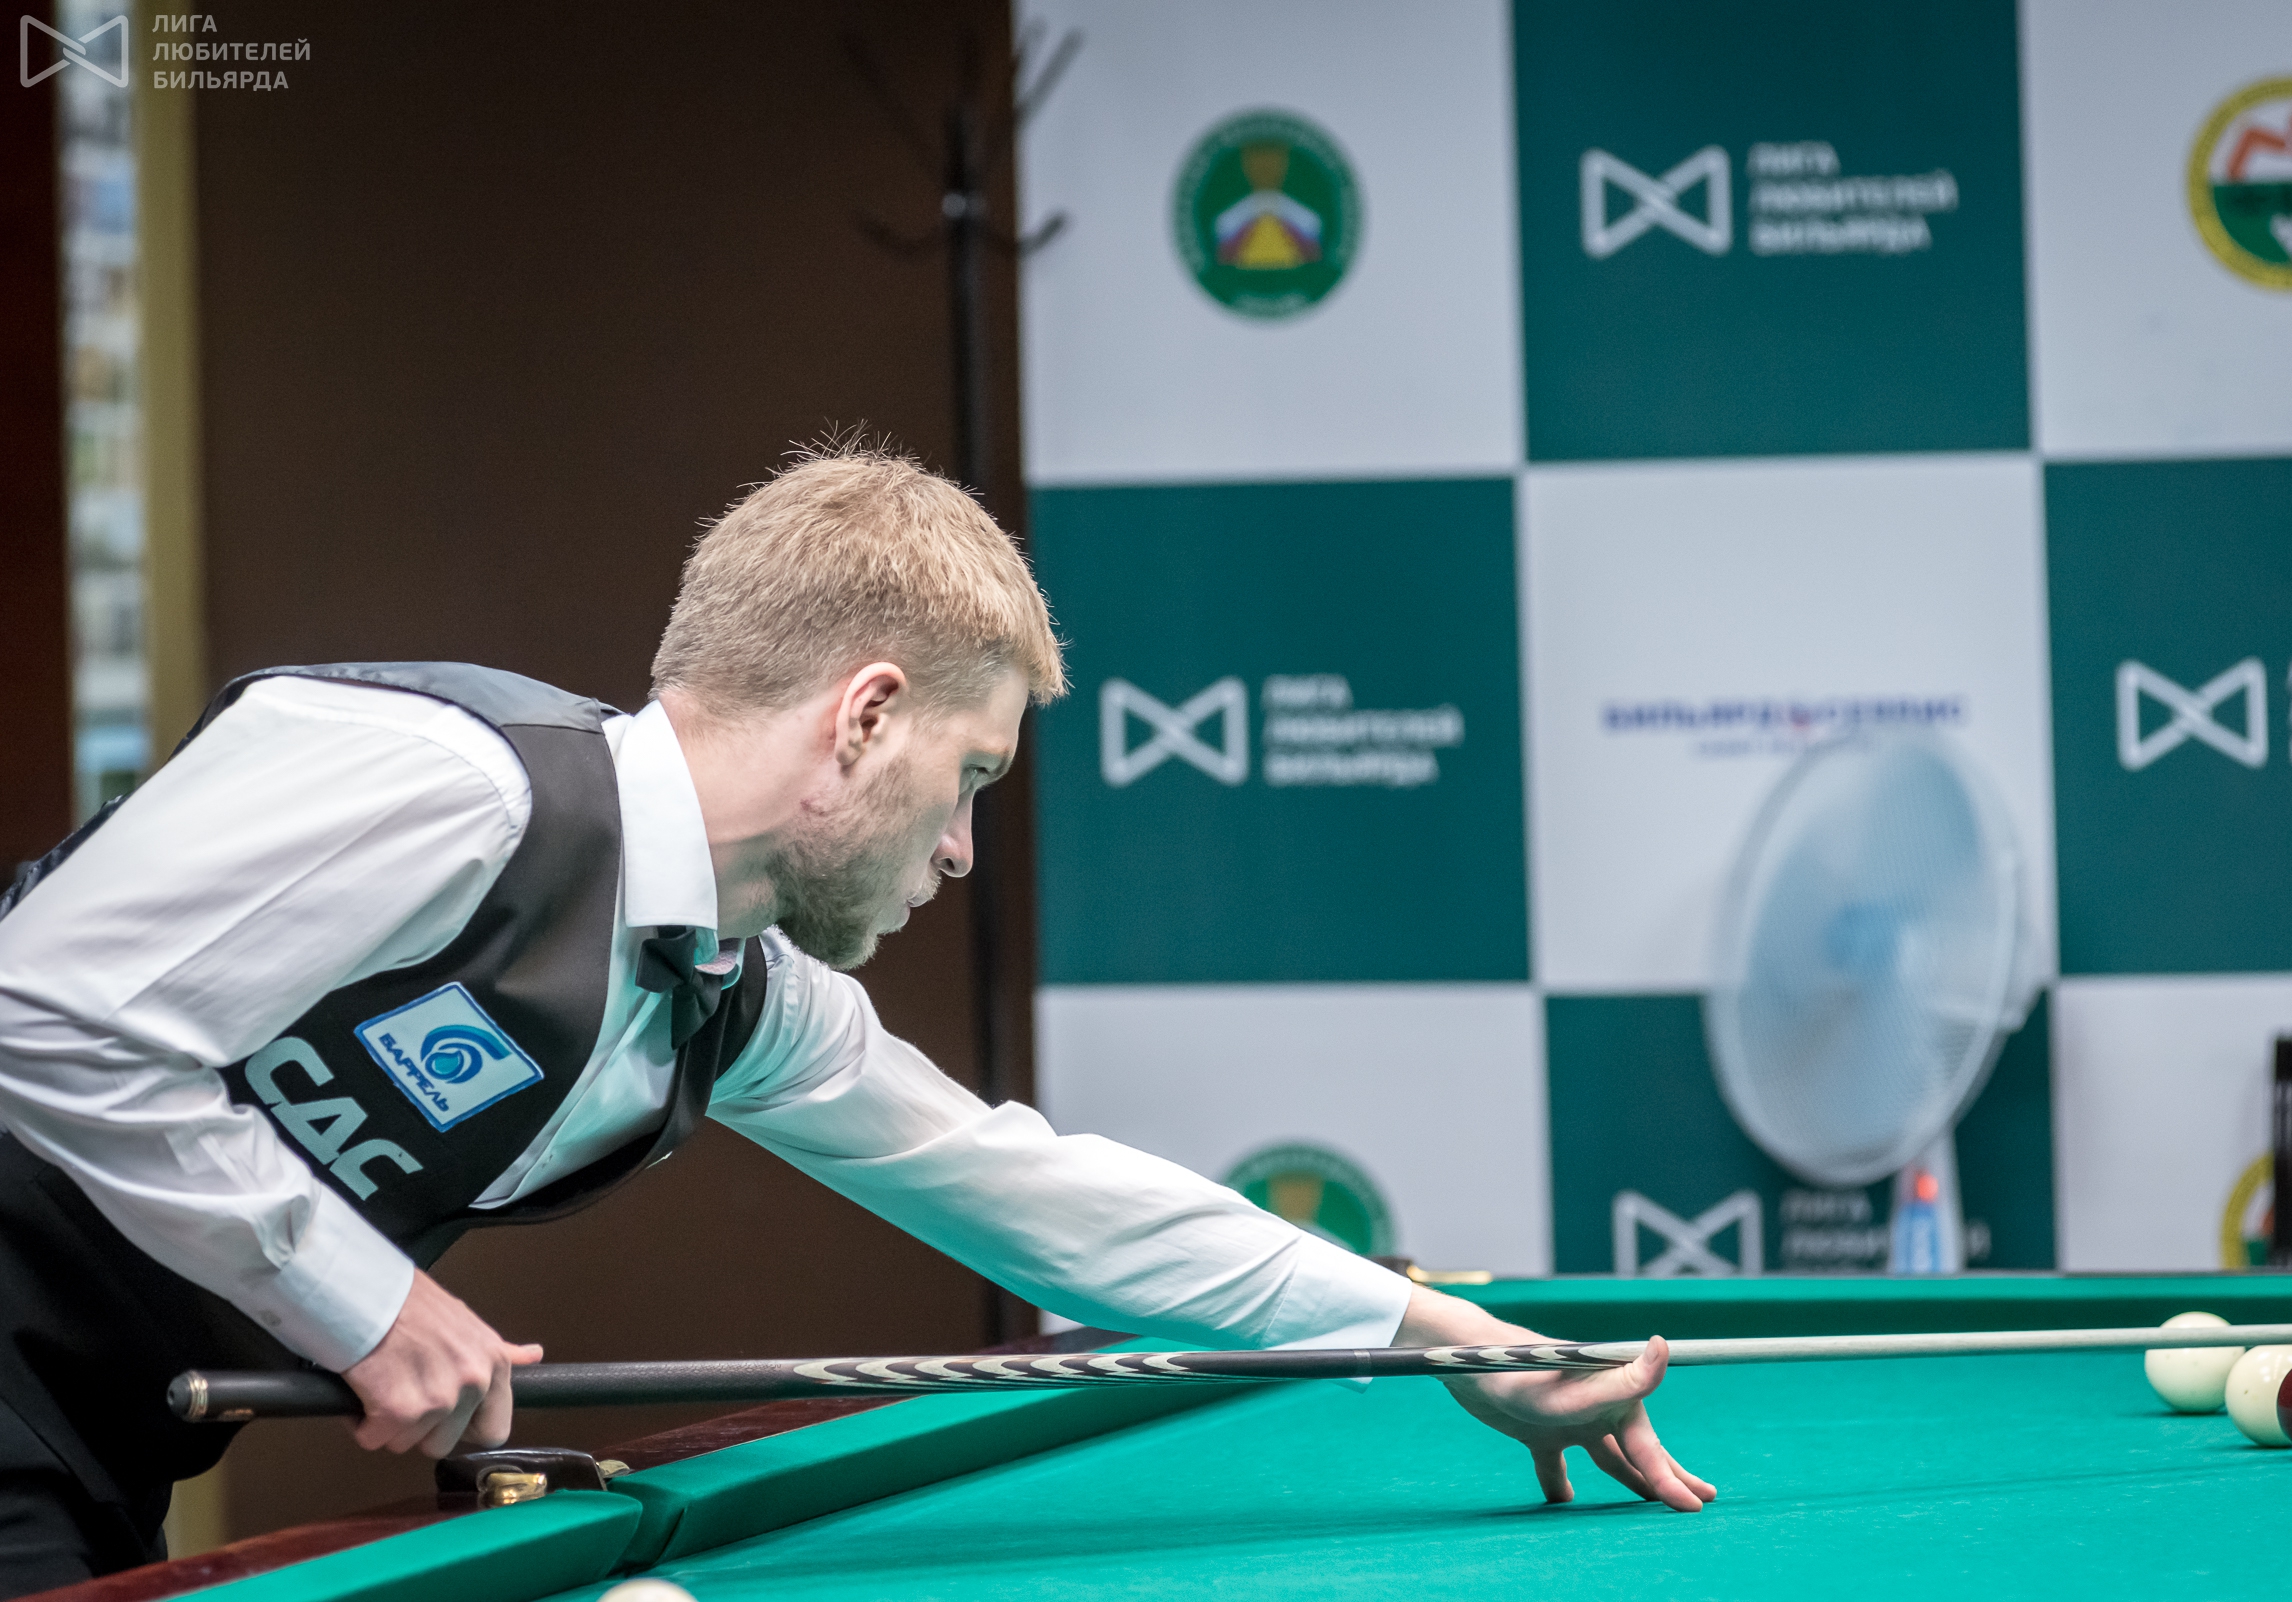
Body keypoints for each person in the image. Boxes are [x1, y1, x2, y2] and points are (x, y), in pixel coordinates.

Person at [0, 447, 1711, 1594]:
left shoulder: (737, 993)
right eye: (969, 778)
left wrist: (1436, 1334)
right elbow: (34, 1009)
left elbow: (1039, 1194)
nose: (959, 849)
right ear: (867, 714)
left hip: (102, 1429)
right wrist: (360, 1293)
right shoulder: (445, 778)